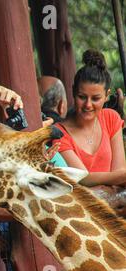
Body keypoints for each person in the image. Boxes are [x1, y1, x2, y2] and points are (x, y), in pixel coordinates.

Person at [53, 49, 126, 186]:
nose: (88, 105)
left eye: (96, 98)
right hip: (84, 204)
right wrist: (118, 177)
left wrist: (119, 177)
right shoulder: (59, 132)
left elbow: (120, 171)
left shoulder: (111, 118)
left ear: (106, 96)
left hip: (117, 200)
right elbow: (82, 179)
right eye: (82, 97)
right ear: (73, 91)